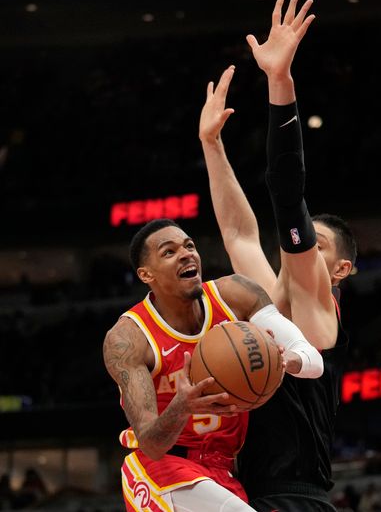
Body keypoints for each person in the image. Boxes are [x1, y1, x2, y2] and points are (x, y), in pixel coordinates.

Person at [199, 0, 356, 511]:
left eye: (319, 242)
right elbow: (241, 235)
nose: (308, 245)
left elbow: (287, 195)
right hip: (254, 494)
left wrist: (279, 82)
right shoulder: (269, 302)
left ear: (340, 269)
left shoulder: (317, 310)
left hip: (298, 499)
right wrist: (212, 146)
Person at [102, 218, 323, 512]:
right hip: (162, 471)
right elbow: (152, 445)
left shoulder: (235, 295)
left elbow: (313, 359)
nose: (186, 254)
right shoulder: (129, 338)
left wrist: (285, 360)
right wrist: (181, 407)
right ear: (146, 274)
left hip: (224, 474)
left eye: (189, 245)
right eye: (169, 252)